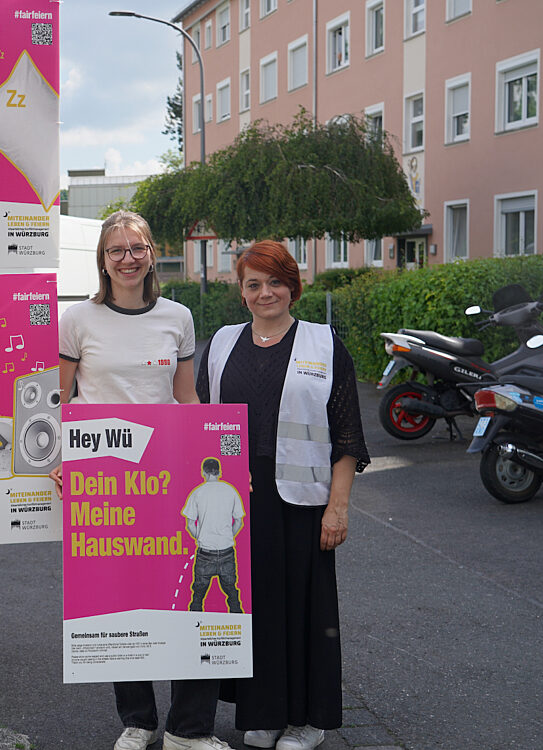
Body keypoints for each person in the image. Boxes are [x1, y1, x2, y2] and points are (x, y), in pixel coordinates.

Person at [51, 210, 221, 750]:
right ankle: (139, 721)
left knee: (190, 595)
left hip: (168, 472)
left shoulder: (178, 316)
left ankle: (189, 730)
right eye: (115, 250)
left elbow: (188, 397)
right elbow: (61, 399)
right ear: (102, 261)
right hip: (106, 479)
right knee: (122, 595)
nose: (127, 258)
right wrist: (58, 458)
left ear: (151, 253)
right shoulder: (77, 321)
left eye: (137, 247)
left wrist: (207, 458)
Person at [198, 240, 369, 750]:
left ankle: (308, 720)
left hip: (303, 498)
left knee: (306, 607)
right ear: (241, 292)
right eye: (254, 283)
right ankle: (266, 712)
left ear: (293, 286)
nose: (265, 292)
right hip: (240, 499)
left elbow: (348, 436)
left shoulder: (323, 343)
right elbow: (203, 420)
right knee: (255, 607)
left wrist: (337, 508)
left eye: (275, 282)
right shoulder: (224, 343)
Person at [182, 457, 245, 614]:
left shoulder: (197, 492)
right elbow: (239, 521)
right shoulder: (231, 490)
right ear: (219, 471)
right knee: (233, 596)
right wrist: (229, 536)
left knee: (197, 598)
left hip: (205, 553)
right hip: (227, 551)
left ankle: (192, 632)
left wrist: (201, 537)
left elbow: (190, 524)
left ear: (203, 472)